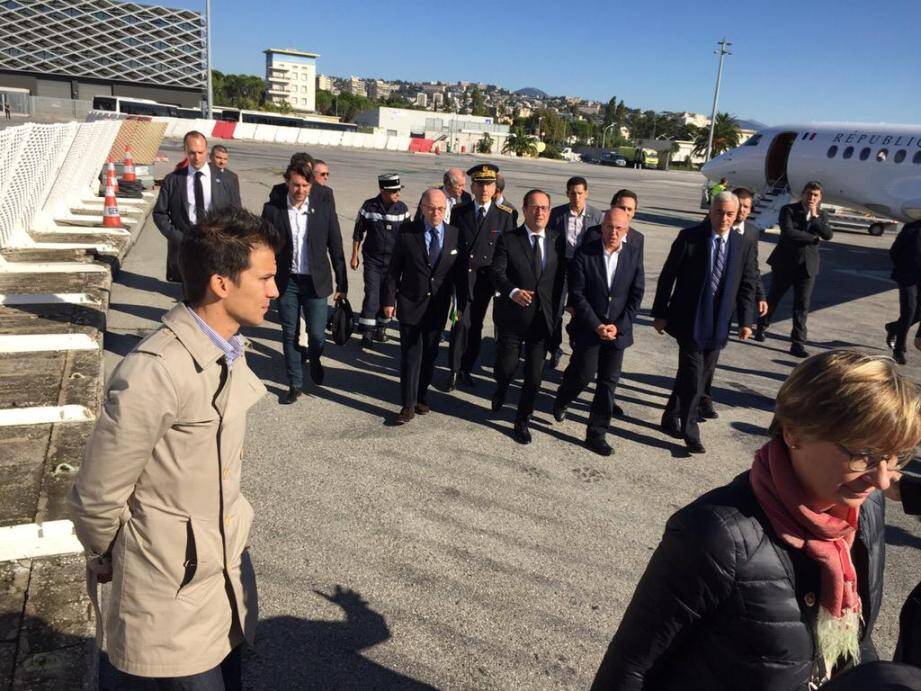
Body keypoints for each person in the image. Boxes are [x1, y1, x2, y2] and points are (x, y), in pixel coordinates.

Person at [591, 350, 921, 690]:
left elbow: (851, 642)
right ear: (795, 433)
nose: (882, 480)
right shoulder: (716, 536)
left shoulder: (865, 510)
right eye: (863, 455)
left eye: (894, 456)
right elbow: (630, 671)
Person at [68, 207, 282, 688]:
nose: (274, 290)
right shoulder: (156, 370)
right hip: (167, 595)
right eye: (265, 278)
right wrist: (110, 555)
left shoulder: (226, 350)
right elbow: (96, 495)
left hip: (220, 580)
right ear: (221, 284)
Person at [652, 191, 758, 453]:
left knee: (698, 375)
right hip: (689, 320)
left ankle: (669, 416)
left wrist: (746, 321)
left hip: (719, 322)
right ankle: (690, 431)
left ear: (737, 216)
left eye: (730, 214)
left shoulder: (742, 244)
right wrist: (660, 313)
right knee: (693, 378)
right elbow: (668, 276)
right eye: (719, 212)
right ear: (710, 211)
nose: (724, 218)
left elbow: (747, 284)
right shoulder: (690, 237)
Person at [552, 208, 644, 456]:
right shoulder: (585, 254)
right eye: (609, 227)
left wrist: (619, 325)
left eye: (619, 229)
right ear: (601, 227)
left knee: (608, 384)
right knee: (583, 374)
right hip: (590, 329)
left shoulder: (633, 255)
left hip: (617, 332)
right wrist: (597, 325)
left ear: (626, 230)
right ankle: (563, 397)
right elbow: (578, 294)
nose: (613, 233)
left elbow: (636, 295)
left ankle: (597, 433)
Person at [262, 162, 347, 404]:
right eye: (295, 185)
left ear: (311, 185)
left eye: (305, 185)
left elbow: (336, 244)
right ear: (287, 182)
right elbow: (263, 247)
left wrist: (342, 283)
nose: (300, 190)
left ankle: (315, 357)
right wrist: (263, 279)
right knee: (289, 333)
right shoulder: (272, 210)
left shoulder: (323, 208)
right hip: (286, 281)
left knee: (317, 335)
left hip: (315, 282)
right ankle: (294, 383)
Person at [490, 189, 566, 445]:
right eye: (535, 207)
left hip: (542, 322)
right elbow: (496, 273)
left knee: (534, 376)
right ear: (524, 210)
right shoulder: (508, 240)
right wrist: (512, 292)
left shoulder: (557, 240)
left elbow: (561, 281)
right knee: (506, 367)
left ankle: (522, 420)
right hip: (512, 318)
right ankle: (501, 388)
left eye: (545, 207)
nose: (540, 212)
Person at [384, 188, 466, 424]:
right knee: (411, 355)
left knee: (430, 354)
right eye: (431, 208)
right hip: (410, 303)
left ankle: (421, 396)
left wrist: (460, 304)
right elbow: (393, 271)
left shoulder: (453, 235)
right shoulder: (408, 233)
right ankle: (407, 404)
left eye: (441, 208)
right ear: (422, 208)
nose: (436, 213)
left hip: (438, 307)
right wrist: (389, 300)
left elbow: (458, 275)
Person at [696, 186, 768, 421]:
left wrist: (759, 296)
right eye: (741, 207)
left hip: (725, 309)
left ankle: (703, 397)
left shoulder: (750, 234)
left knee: (712, 358)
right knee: (697, 359)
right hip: (702, 306)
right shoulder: (709, 228)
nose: (742, 212)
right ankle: (694, 400)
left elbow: (752, 271)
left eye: (747, 208)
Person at [444, 163, 515, 390]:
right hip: (463, 279)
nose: (485, 189)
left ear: (496, 188)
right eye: (481, 184)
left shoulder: (505, 216)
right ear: (472, 187)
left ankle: (466, 368)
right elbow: (452, 245)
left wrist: (503, 283)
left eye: (489, 184)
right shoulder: (459, 212)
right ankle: (453, 370)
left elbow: (507, 252)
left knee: (475, 327)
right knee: (460, 325)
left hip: (487, 281)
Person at [755, 181, 833, 357]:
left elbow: (827, 235)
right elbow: (789, 233)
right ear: (802, 194)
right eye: (809, 194)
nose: (811, 198)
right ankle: (762, 326)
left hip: (808, 267)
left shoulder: (821, 215)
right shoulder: (788, 210)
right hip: (785, 263)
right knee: (774, 297)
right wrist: (813, 239)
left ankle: (797, 343)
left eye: (815, 195)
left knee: (802, 306)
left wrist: (814, 218)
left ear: (820, 198)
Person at [153, 131, 239, 282]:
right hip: (186, 246)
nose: (197, 157)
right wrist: (178, 237)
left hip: (216, 246)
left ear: (207, 151)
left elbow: (236, 214)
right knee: (191, 294)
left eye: (200, 152)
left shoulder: (228, 179)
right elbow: (160, 214)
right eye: (192, 153)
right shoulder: (173, 180)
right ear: (185, 151)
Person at [546, 176, 605, 368]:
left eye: (580, 193)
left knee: (581, 310)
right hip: (561, 268)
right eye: (573, 193)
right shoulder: (556, 215)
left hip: (585, 271)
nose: (577, 197)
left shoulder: (597, 216)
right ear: (567, 194)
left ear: (586, 193)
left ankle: (577, 346)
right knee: (555, 311)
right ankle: (554, 348)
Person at [351, 174, 411, 348]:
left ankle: (382, 328)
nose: (397, 194)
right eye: (393, 191)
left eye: (398, 190)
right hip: (373, 260)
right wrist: (354, 255)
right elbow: (358, 233)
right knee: (372, 294)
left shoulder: (402, 209)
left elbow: (409, 237)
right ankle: (367, 332)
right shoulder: (369, 206)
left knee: (389, 295)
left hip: (394, 262)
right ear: (383, 191)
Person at [884, 219, 921, 364]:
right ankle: (899, 350)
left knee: (918, 314)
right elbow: (894, 251)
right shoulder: (911, 228)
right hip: (908, 276)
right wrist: (903, 268)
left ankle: (893, 328)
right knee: (909, 310)